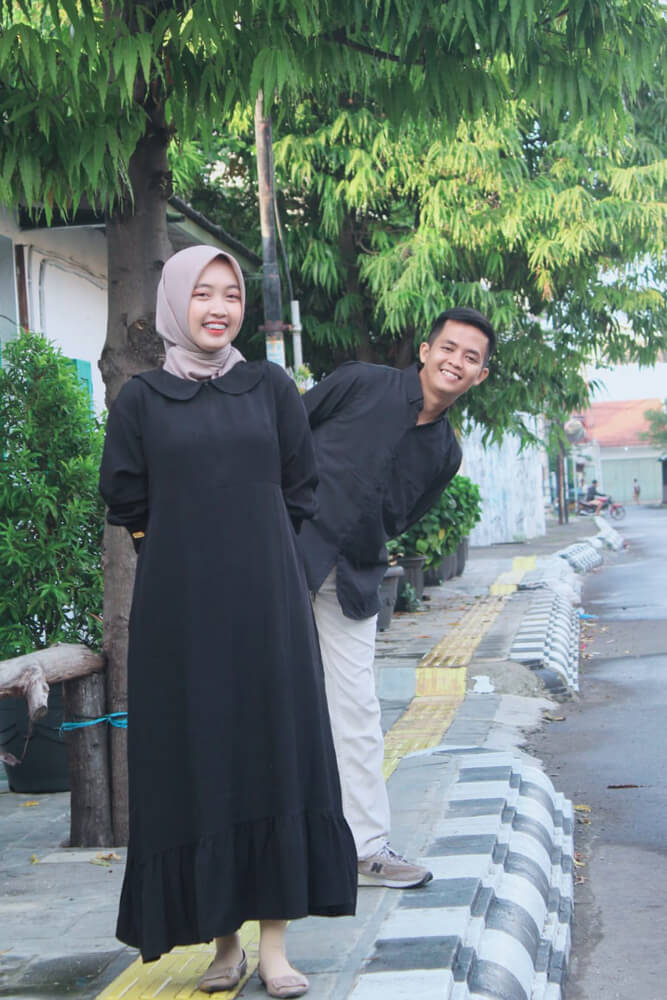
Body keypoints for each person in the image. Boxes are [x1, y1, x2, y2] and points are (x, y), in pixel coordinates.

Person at [99, 245, 356, 998]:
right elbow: (127, 497)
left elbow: (300, 486)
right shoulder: (142, 399)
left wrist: (257, 551)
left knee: (273, 753)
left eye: (231, 294)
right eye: (203, 294)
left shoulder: (270, 387)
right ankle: (223, 944)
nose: (218, 308)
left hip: (267, 606)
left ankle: (274, 948)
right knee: (202, 757)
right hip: (180, 614)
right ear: (175, 303)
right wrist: (183, 554)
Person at [297, 307, 493, 889]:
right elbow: (287, 434)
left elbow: (402, 516)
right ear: (427, 351)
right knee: (263, 701)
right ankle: (260, 850)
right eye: (449, 348)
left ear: (479, 375)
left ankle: (366, 849)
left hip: (354, 578)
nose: (456, 362)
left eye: (471, 358)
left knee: (357, 711)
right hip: (284, 558)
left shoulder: (446, 453)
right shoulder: (361, 381)